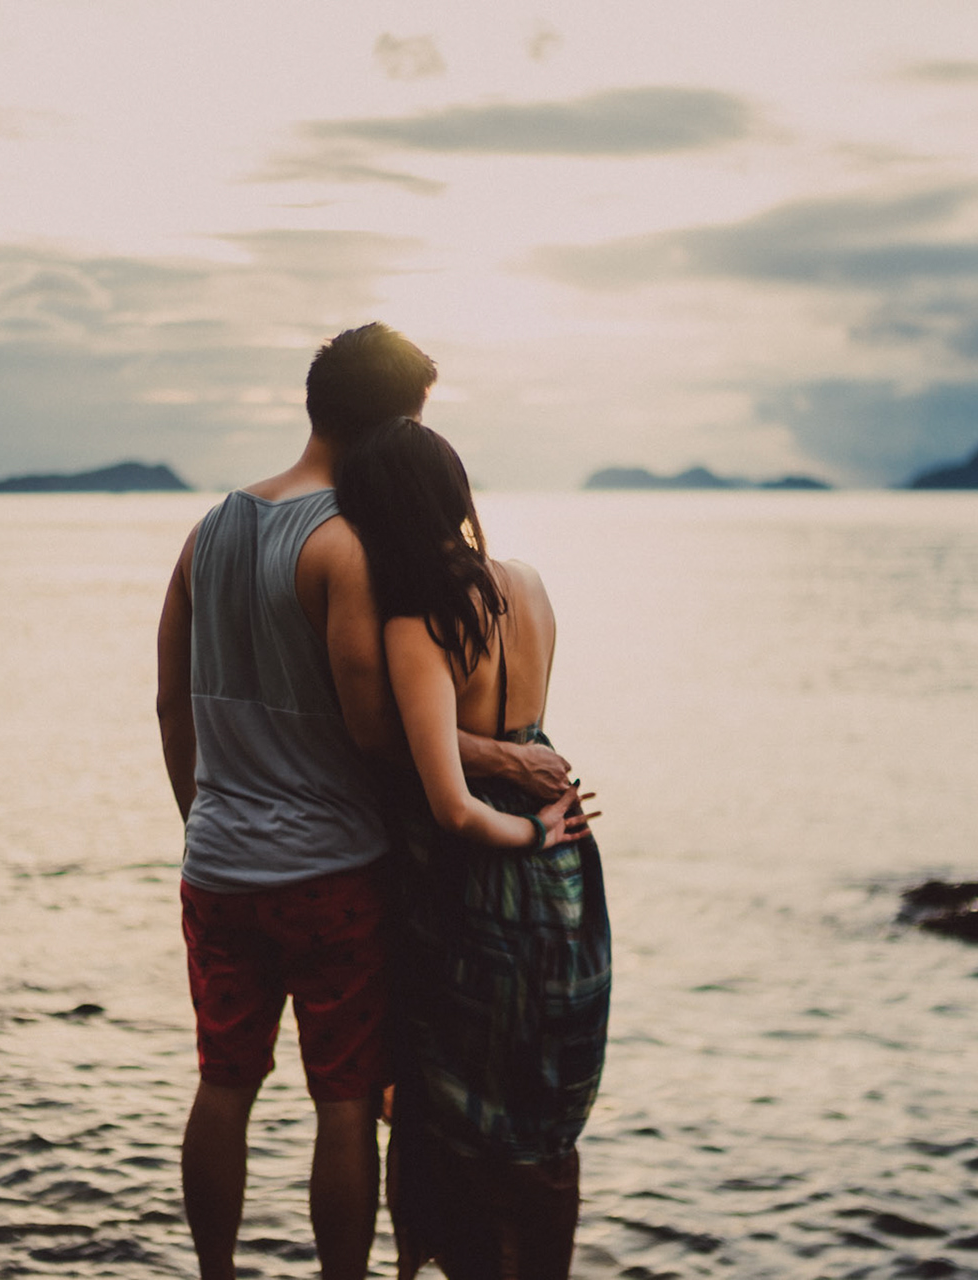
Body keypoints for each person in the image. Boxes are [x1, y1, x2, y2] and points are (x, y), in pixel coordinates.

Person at [155, 324, 572, 1280]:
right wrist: (497, 763)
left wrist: (200, 821)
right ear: (397, 425)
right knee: (344, 1103)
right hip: (332, 870)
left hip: (216, 867)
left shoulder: (209, 527)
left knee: (222, 1084)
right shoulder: (348, 546)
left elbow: (170, 697)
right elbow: (377, 729)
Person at [333, 416, 612, 1280]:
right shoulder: (527, 584)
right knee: (541, 1109)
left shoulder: (422, 620)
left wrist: (522, 831)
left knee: (459, 1117)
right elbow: (513, 735)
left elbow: (448, 803)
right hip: (565, 872)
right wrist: (543, 830)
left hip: (479, 877)